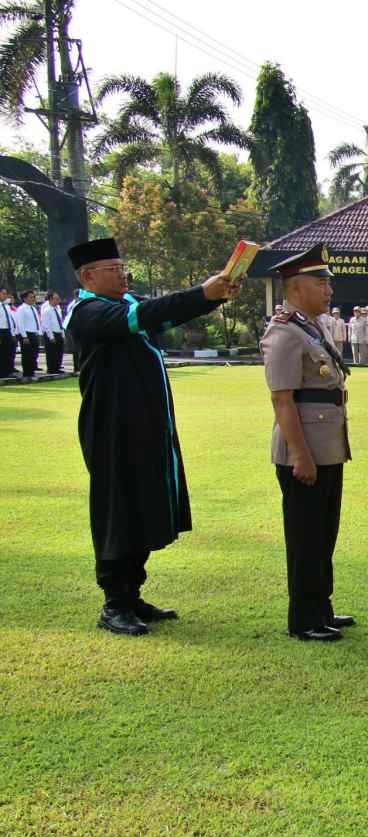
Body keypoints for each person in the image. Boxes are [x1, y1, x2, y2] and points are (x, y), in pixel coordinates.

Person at [65, 236, 243, 636]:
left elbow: (164, 315)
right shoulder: (87, 312)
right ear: (88, 276)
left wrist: (213, 296)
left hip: (147, 426)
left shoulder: (126, 305)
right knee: (118, 509)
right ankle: (114, 603)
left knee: (145, 503)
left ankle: (133, 594)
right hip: (112, 428)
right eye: (114, 269)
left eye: (122, 266)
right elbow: (148, 316)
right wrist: (202, 291)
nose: (123, 273)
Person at [259, 243, 354, 641]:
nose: (328, 290)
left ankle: (322, 607)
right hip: (305, 450)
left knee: (324, 532)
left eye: (328, 283)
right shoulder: (283, 334)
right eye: (320, 283)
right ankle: (303, 618)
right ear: (295, 287)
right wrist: (300, 454)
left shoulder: (310, 327)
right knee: (304, 537)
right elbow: (282, 399)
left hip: (327, 445)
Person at [15, 289, 40, 381]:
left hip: (33, 333)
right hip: (26, 334)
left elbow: (36, 321)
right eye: (31, 297)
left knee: (34, 353)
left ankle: (32, 371)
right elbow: (20, 323)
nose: (33, 299)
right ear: (25, 299)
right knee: (27, 354)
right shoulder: (21, 309)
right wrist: (24, 336)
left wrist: (38, 332)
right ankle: (27, 373)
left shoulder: (33, 308)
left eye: (34, 297)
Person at [41, 291, 66, 374]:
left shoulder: (58, 309)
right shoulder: (47, 310)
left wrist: (62, 333)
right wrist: (51, 336)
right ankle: (51, 369)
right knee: (51, 352)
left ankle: (57, 367)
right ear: (51, 299)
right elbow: (46, 325)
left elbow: (60, 322)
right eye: (56, 299)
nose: (58, 300)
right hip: (51, 334)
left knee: (59, 352)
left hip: (58, 332)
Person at [0, 288, 13, 378]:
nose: (5, 295)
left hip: (7, 331)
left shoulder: (6, 306)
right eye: (3, 293)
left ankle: (6, 372)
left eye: (6, 294)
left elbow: (10, 321)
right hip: (1, 330)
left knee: (7, 352)